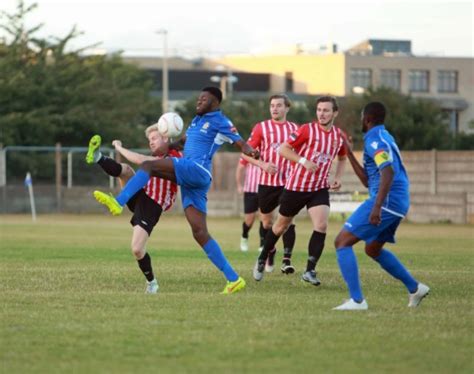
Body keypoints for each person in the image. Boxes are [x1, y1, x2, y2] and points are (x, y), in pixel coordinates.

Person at [93, 86, 259, 295]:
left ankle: (118, 202)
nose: (198, 102)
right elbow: (183, 143)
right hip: (193, 181)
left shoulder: (221, 121)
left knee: (148, 166)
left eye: (203, 99)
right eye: (198, 99)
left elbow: (242, 143)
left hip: (197, 169)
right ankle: (233, 279)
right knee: (199, 232)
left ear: (215, 102)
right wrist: (165, 147)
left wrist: (252, 151)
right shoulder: (196, 122)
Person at [333, 101, 430, 310]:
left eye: (361, 117)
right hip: (396, 202)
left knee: (342, 241)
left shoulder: (375, 139)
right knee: (373, 249)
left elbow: (388, 172)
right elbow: (369, 181)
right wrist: (349, 153)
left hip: (387, 201)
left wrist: (377, 207)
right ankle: (415, 288)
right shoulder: (383, 136)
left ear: (367, 119)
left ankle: (357, 301)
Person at [253, 96, 347, 285]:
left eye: (326, 110)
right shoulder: (306, 130)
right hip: (296, 187)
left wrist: (337, 178)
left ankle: (310, 270)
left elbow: (343, 157)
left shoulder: (338, 136)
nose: (321, 114)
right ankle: (262, 258)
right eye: (319, 110)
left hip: (319, 188)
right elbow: (283, 150)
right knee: (280, 226)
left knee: (321, 225)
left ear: (335, 113)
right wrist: (303, 161)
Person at [85, 125, 180, 294]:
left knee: (137, 249)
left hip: (152, 205)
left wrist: (119, 147)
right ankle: (98, 157)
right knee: (126, 170)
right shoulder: (156, 156)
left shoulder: (174, 156)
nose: (151, 142)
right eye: (149, 140)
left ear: (166, 138)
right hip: (141, 194)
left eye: (154, 138)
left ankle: (152, 283)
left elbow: (140, 159)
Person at [242, 94, 299, 274]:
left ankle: (286, 261)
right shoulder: (261, 128)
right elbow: (245, 153)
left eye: (279, 105)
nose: (275, 108)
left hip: (289, 182)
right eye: (272, 105)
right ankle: (271, 250)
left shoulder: (295, 129)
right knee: (266, 223)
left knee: (288, 220)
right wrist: (263, 164)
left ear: (287, 108)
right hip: (267, 183)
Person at [235, 157, 264, 252]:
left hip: (265, 190)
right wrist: (239, 185)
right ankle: (244, 236)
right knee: (249, 220)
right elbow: (240, 168)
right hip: (250, 191)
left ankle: (262, 244)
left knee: (264, 218)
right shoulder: (249, 152)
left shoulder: (269, 150)